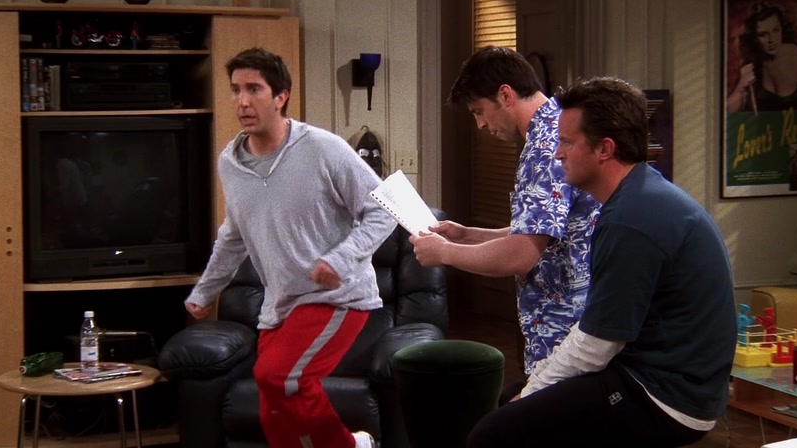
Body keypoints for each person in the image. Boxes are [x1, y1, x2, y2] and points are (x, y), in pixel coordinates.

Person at [466, 76, 737, 447]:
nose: (557, 154)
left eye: (567, 142)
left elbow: (596, 344)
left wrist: (532, 393)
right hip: (653, 372)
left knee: (491, 435)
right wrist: (531, 388)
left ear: (605, 149)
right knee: (511, 400)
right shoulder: (638, 194)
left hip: (667, 396)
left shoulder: (632, 219)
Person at [184, 47, 394, 448]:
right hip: (281, 304)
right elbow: (233, 235)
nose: (242, 101)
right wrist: (206, 291)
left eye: (254, 89)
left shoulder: (323, 148)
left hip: (337, 297)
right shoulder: (230, 163)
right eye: (235, 90)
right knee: (274, 409)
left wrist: (340, 259)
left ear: (281, 96)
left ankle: (352, 446)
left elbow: (384, 208)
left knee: (279, 377)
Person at [409, 46, 600, 398]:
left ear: (506, 95)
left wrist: (445, 253)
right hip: (565, 322)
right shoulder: (553, 132)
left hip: (566, 327)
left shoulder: (544, 148)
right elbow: (544, 231)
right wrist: (467, 235)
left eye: (479, 111)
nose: (480, 124)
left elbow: (521, 254)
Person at [726, 1, 797, 113]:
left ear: (782, 28)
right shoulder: (752, 64)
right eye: (763, 34)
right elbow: (727, 111)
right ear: (754, 37)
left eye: (775, 30)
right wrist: (741, 87)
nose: (771, 40)